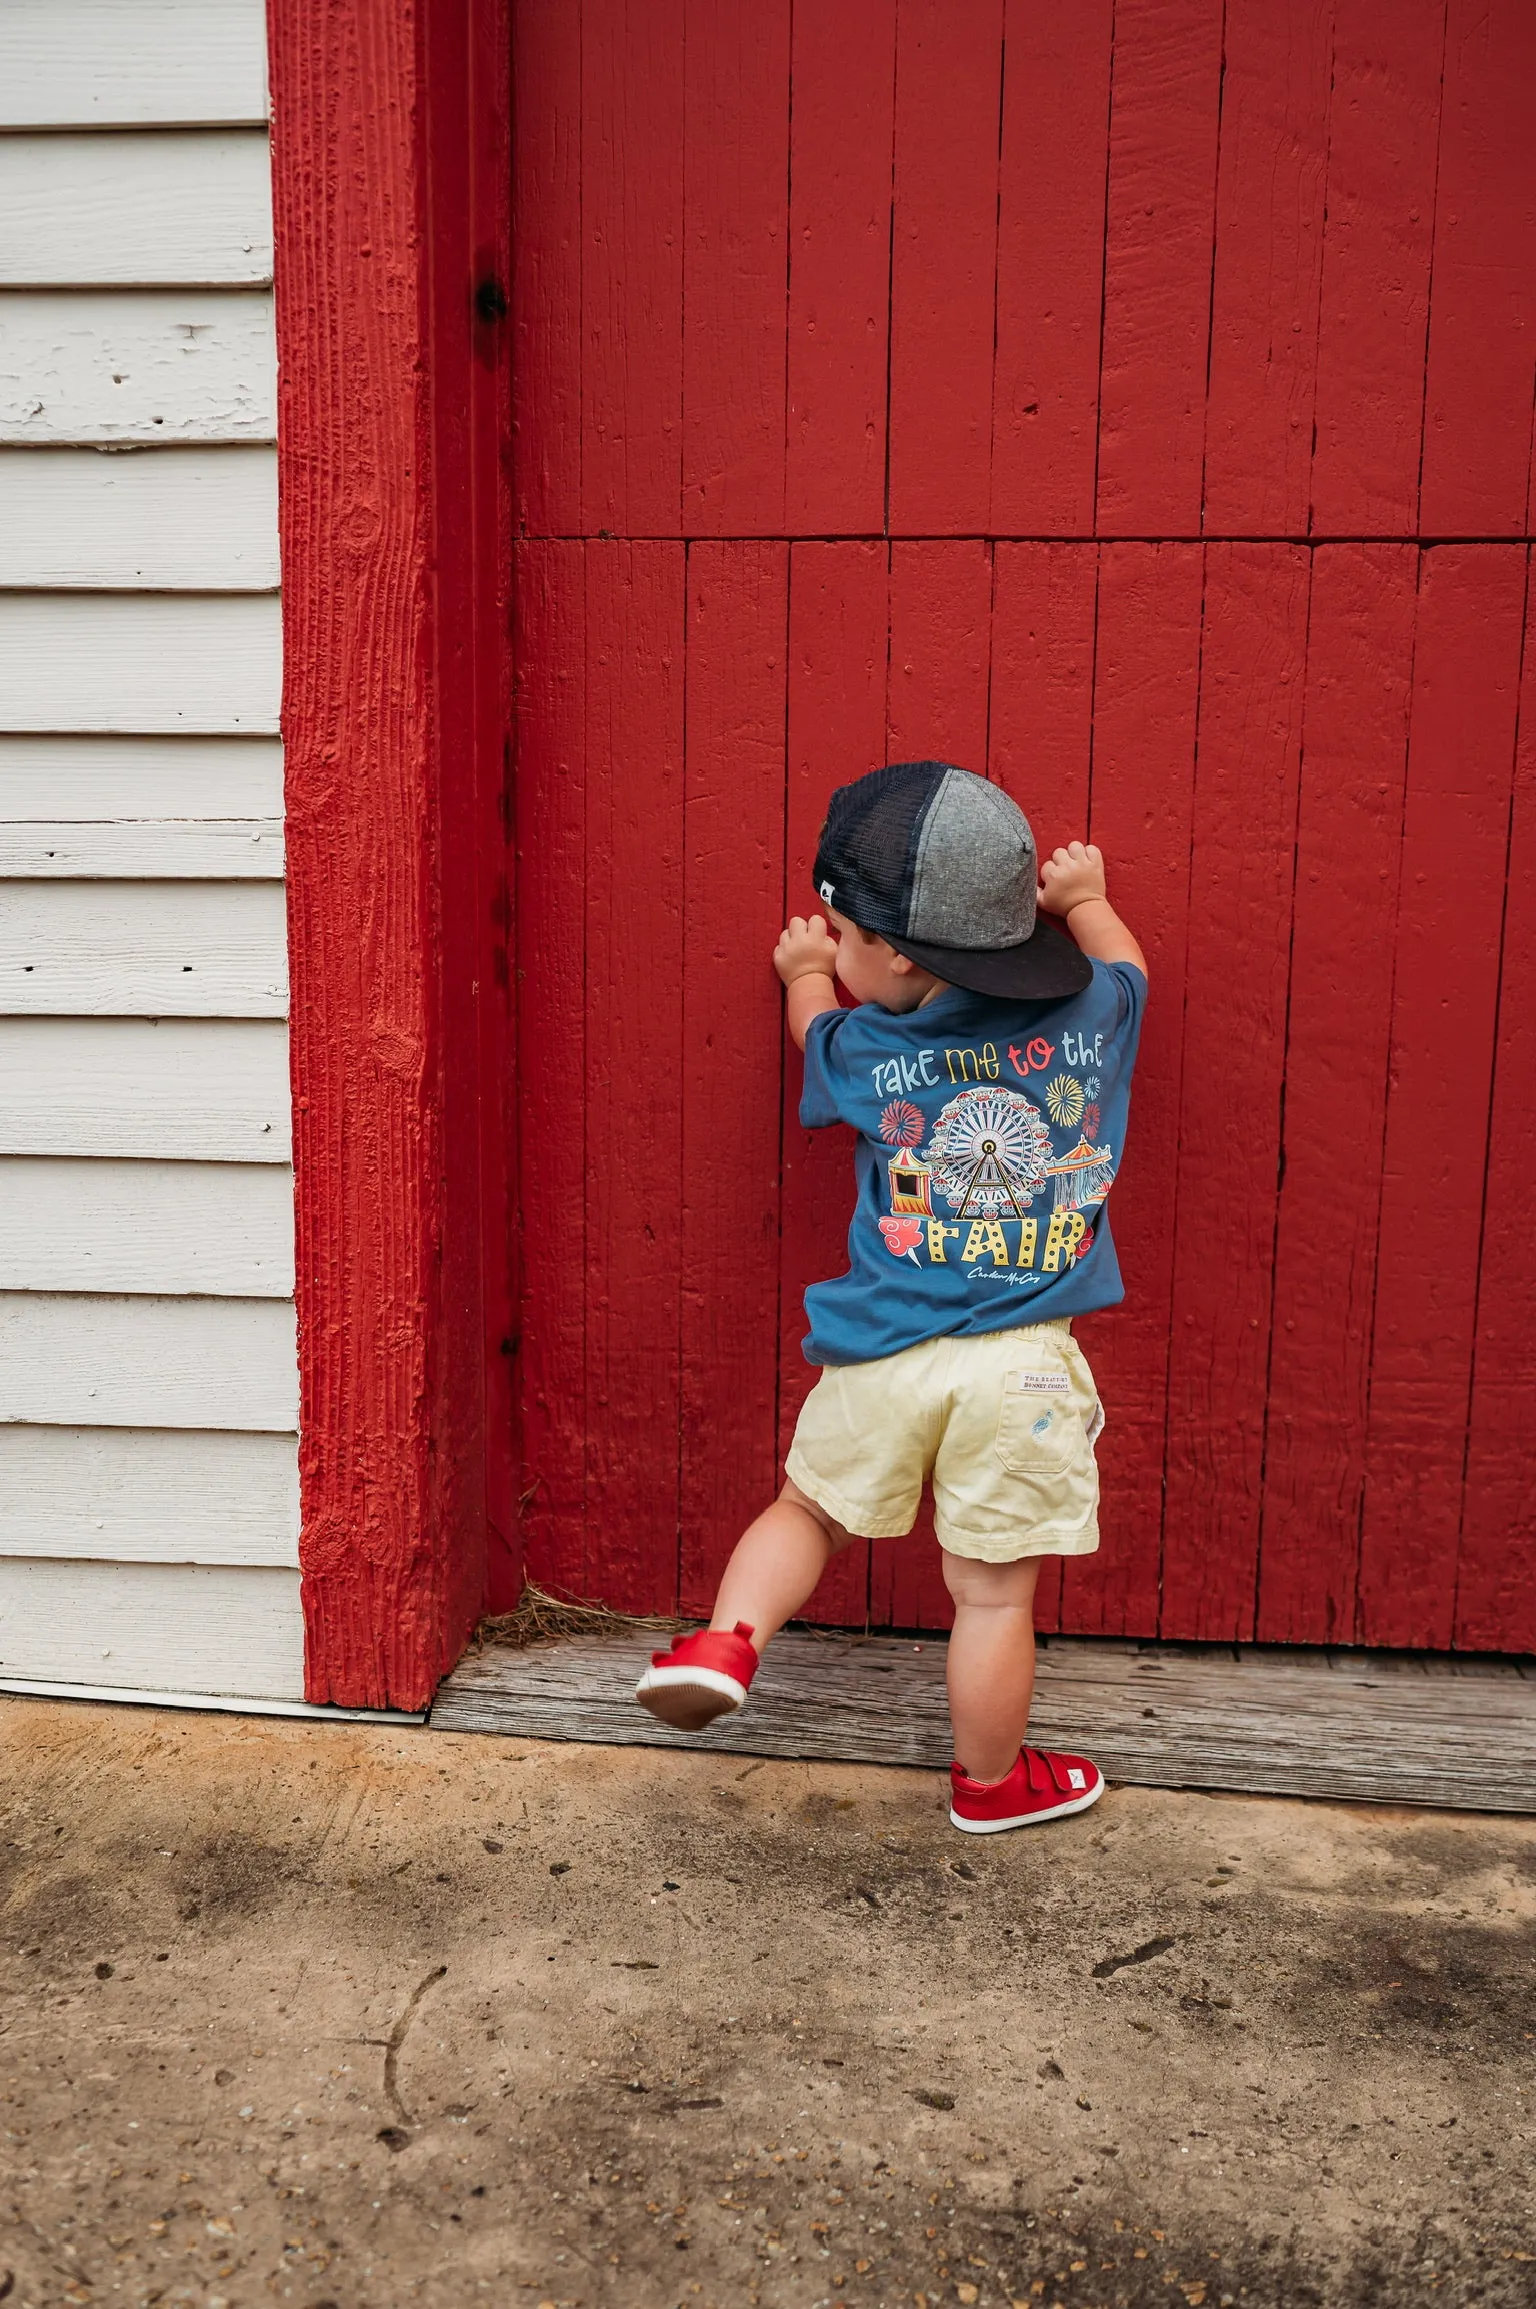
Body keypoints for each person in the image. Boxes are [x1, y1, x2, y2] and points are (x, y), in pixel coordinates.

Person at [635, 761, 1147, 1834]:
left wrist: (801, 973)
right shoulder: (1100, 1016)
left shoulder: (871, 1047)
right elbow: (1128, 967)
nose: (836, 944)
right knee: (996, 1594)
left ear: (896, 954)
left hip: (881, 1353)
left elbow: (814, 1030)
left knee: (808, 1510)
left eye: (844, 929)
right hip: (1021, 1368)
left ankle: (724, 1640)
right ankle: (992, 1784)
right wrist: (1087, 899)